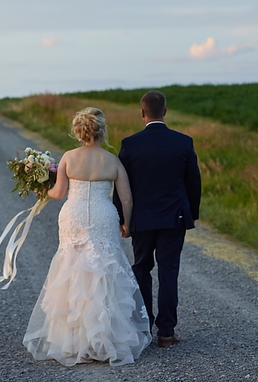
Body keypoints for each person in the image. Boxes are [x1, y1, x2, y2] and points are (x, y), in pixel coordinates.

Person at [23, 108, 151, 366]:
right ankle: (106, 337)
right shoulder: (113, 161)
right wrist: (126, 222)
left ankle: (73, 339)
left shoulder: (69, 157)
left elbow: (58, 193)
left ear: (80, 132)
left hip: (74, 215)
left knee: (73, 268)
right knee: (104, 271)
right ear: (101, 131)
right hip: (104, 216)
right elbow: (126, 197)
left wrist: (40, 189)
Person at [113, 90, 201, 348]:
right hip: (174, 218)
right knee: (169, 271)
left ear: (142, 113)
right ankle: (166, 332)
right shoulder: (184, 142)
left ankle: (142, 329)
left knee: (141, 268)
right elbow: (193, 182)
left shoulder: (130, 144)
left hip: (141, 219)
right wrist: (192, 213)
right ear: (165, 111)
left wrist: (122, 219)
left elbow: (122, 186)